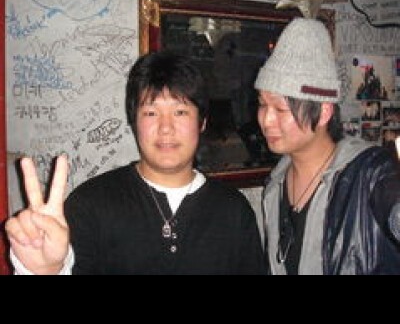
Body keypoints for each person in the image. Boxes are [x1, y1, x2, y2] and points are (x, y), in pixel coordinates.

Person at [6, 51, 267, 275]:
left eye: (180, 112)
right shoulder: (89, 205)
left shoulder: (233, 211)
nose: (166, 128)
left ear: (202, 123)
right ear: (134, 122)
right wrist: (46, 271)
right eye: (151, 113)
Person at [254, 17, 400, 275]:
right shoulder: (275, 186)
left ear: (323, 112)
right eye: (262, 104)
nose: (266, 120)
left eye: (280, 108)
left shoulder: (370, 173)